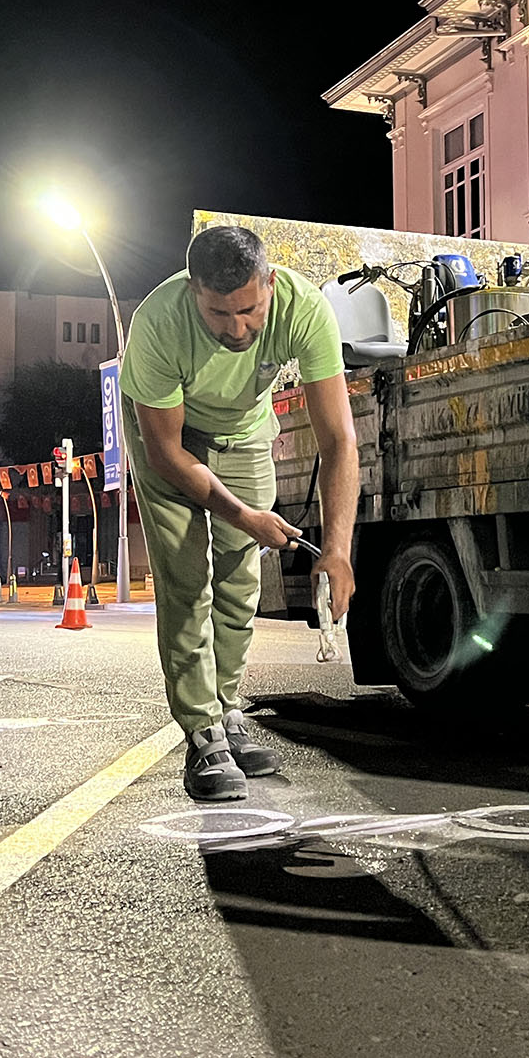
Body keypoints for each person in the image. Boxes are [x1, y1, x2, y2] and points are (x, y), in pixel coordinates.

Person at [121, 225, 359, 801]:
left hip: (246, 434)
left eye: (249, 311)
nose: (237, 329)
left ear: (269, 284)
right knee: (187, 578)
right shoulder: (158, 323)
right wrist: (245, 516)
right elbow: (167, 452)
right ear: (193, 292)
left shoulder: (304, 309)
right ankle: (202, 735)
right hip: (170, 440)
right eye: (218, 314)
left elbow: (338, 440)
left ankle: (228, 713)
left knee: (238, 582)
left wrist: (337, 549)